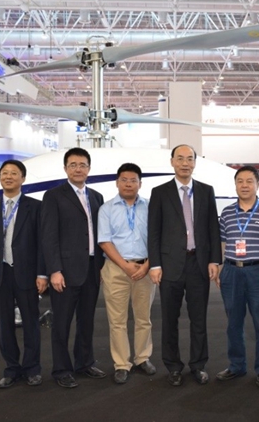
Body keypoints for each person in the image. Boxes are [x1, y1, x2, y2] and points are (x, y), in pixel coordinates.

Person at [148, 144, 222, 387]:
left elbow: (212, 228)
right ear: (172, 162)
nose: (185, 163)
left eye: (189, 159)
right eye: (180, 158)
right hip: (170, 265)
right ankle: (173, 367)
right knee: (169, 320)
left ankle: (198, 365)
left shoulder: (206, 191)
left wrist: (214, 259)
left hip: (198, 264)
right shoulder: (160, 192)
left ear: (195, 163)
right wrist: (155, 264)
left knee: (199, 319)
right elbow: (154, 231)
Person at [0, 159, 47, 388]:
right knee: (5, 325)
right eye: (5, 173)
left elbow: (41, 244)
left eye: (14, 173)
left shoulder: (35, 207)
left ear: (23, 178)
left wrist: (42, 274)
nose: (8, 177)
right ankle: (11, 369)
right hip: (0, 274)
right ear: (0, 177)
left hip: (27, 273)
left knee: (31, 323)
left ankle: (32, 368)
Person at [41, 147, 106, 388]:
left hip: (91, 268)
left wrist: (101, 266)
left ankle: (84, 363)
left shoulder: (96, 197)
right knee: (61, 323)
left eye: (82, 165)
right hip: (65, 272)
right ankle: (61, 369)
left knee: (86, 321)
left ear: (89, 168)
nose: (78, 169)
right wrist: (54, 270)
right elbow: (49, 236)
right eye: (73, 165)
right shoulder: (53, 196)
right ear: (65, 168)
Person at [216, 166, 259, 388]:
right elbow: (223, 242)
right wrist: (220, 267)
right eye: (240, 181)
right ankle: (236, 366)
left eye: (249, 181)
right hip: (231, 271)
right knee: (233, 323)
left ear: (257, 185)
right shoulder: (227, 213)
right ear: (235, 185)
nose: (244, 185)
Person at [98, 163, 156, 385]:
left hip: (145, 268)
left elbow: (157, 238)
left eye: (133, 180)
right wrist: (125, 265)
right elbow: (104, 241)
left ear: (140, 183)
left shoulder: (151, 207)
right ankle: (122, 364)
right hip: (116, 269)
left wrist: (147, 265)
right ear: (117, 182)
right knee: (117, 320)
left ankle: (142, 358)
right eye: (124, 180)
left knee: (144, 318)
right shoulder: (106, 209)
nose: (128, 184)